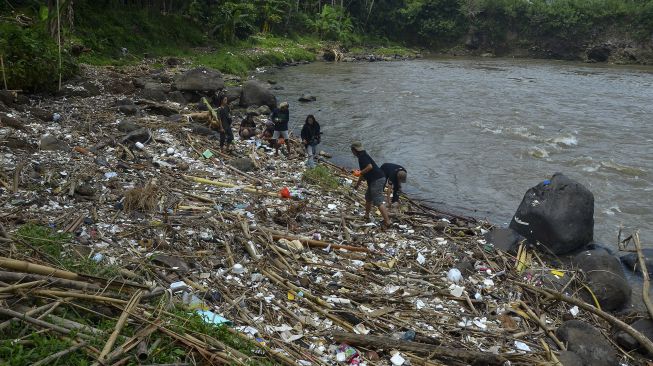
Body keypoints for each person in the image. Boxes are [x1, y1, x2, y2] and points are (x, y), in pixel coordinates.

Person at [351, 141, 391, 228]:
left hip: (377, 179)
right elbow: (363, 174)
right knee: (368, 197)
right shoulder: (363, 155)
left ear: (354, 150)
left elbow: (369, 167)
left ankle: (387, 221)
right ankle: (366, 215)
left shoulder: (362, 157)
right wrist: (357, 185)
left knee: (378, 200)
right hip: (376, 179)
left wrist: (360, 172)